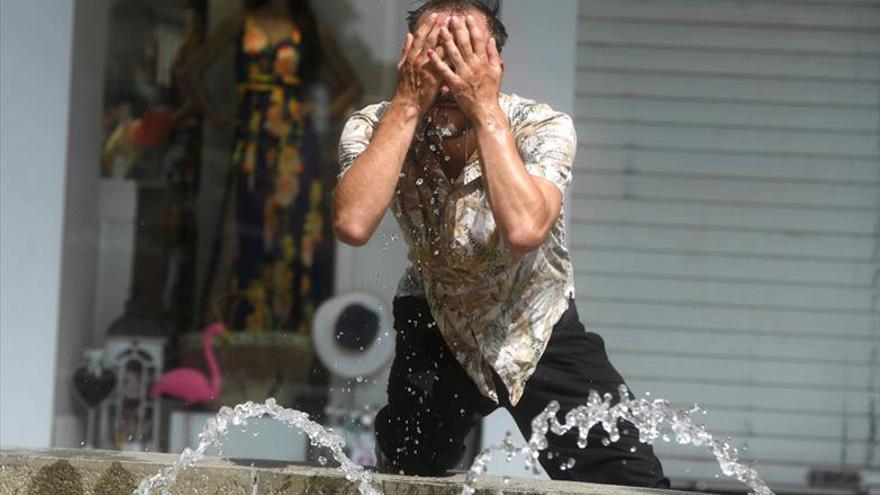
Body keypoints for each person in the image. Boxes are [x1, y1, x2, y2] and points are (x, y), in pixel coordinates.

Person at [333, 0, 670, 488]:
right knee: (402, 477)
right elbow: (353, 223)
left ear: (493, 64)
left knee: (630, 479)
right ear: (408, 60)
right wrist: (408, 105)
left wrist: (485, 108)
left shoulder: (542, 126)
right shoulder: (375, 126)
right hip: (437, 319)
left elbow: (524, 230)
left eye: (463, 55)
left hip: (534, 321)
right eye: (434, 55)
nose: (448, 77)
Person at [183, 0, 363, 333]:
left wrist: (318, 112)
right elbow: (192, 71)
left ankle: (293, 334)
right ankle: (234, 329)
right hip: (253, 141)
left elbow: (352, 85)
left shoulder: (309, 30)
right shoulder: (241, 22)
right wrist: (215, 116)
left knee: (295, 233)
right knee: (241, 227)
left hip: (295, 145)